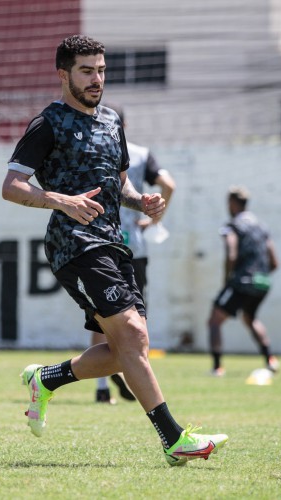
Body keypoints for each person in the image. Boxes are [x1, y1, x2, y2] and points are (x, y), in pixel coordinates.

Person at [1, 35, 227, 466]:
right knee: (135, 337)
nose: (97, 79)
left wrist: (141, 200)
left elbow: (117, 184)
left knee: (129, 349)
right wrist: (60, 199)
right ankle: (174, 440)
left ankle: (46, 378)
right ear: (63, 74)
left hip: (115, 242)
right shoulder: (48, 123)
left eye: (101, 70)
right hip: (74, 243)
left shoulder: (110, 122)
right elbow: (11, 187)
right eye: (87, 70)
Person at [90, 105, 176, 404]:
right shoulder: (140, 154)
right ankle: (137, 376)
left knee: (102, 317)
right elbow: (168, 184)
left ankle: (102, 387)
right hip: (134, 246)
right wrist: (154, 220)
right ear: (124, 124)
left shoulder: (90, 151)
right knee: (137, 318)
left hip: (102, 242)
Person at [208, 186, 279, 377]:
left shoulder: (232, 225)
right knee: (250, 317)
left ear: (232, 203)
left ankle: (217, 368)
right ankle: (271, 360)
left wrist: (228, 279)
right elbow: (274, 261)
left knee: (215, 320)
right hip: (263, 282)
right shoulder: (262, 226)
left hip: (243, 280)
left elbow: (231, 254)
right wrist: (261, 275)